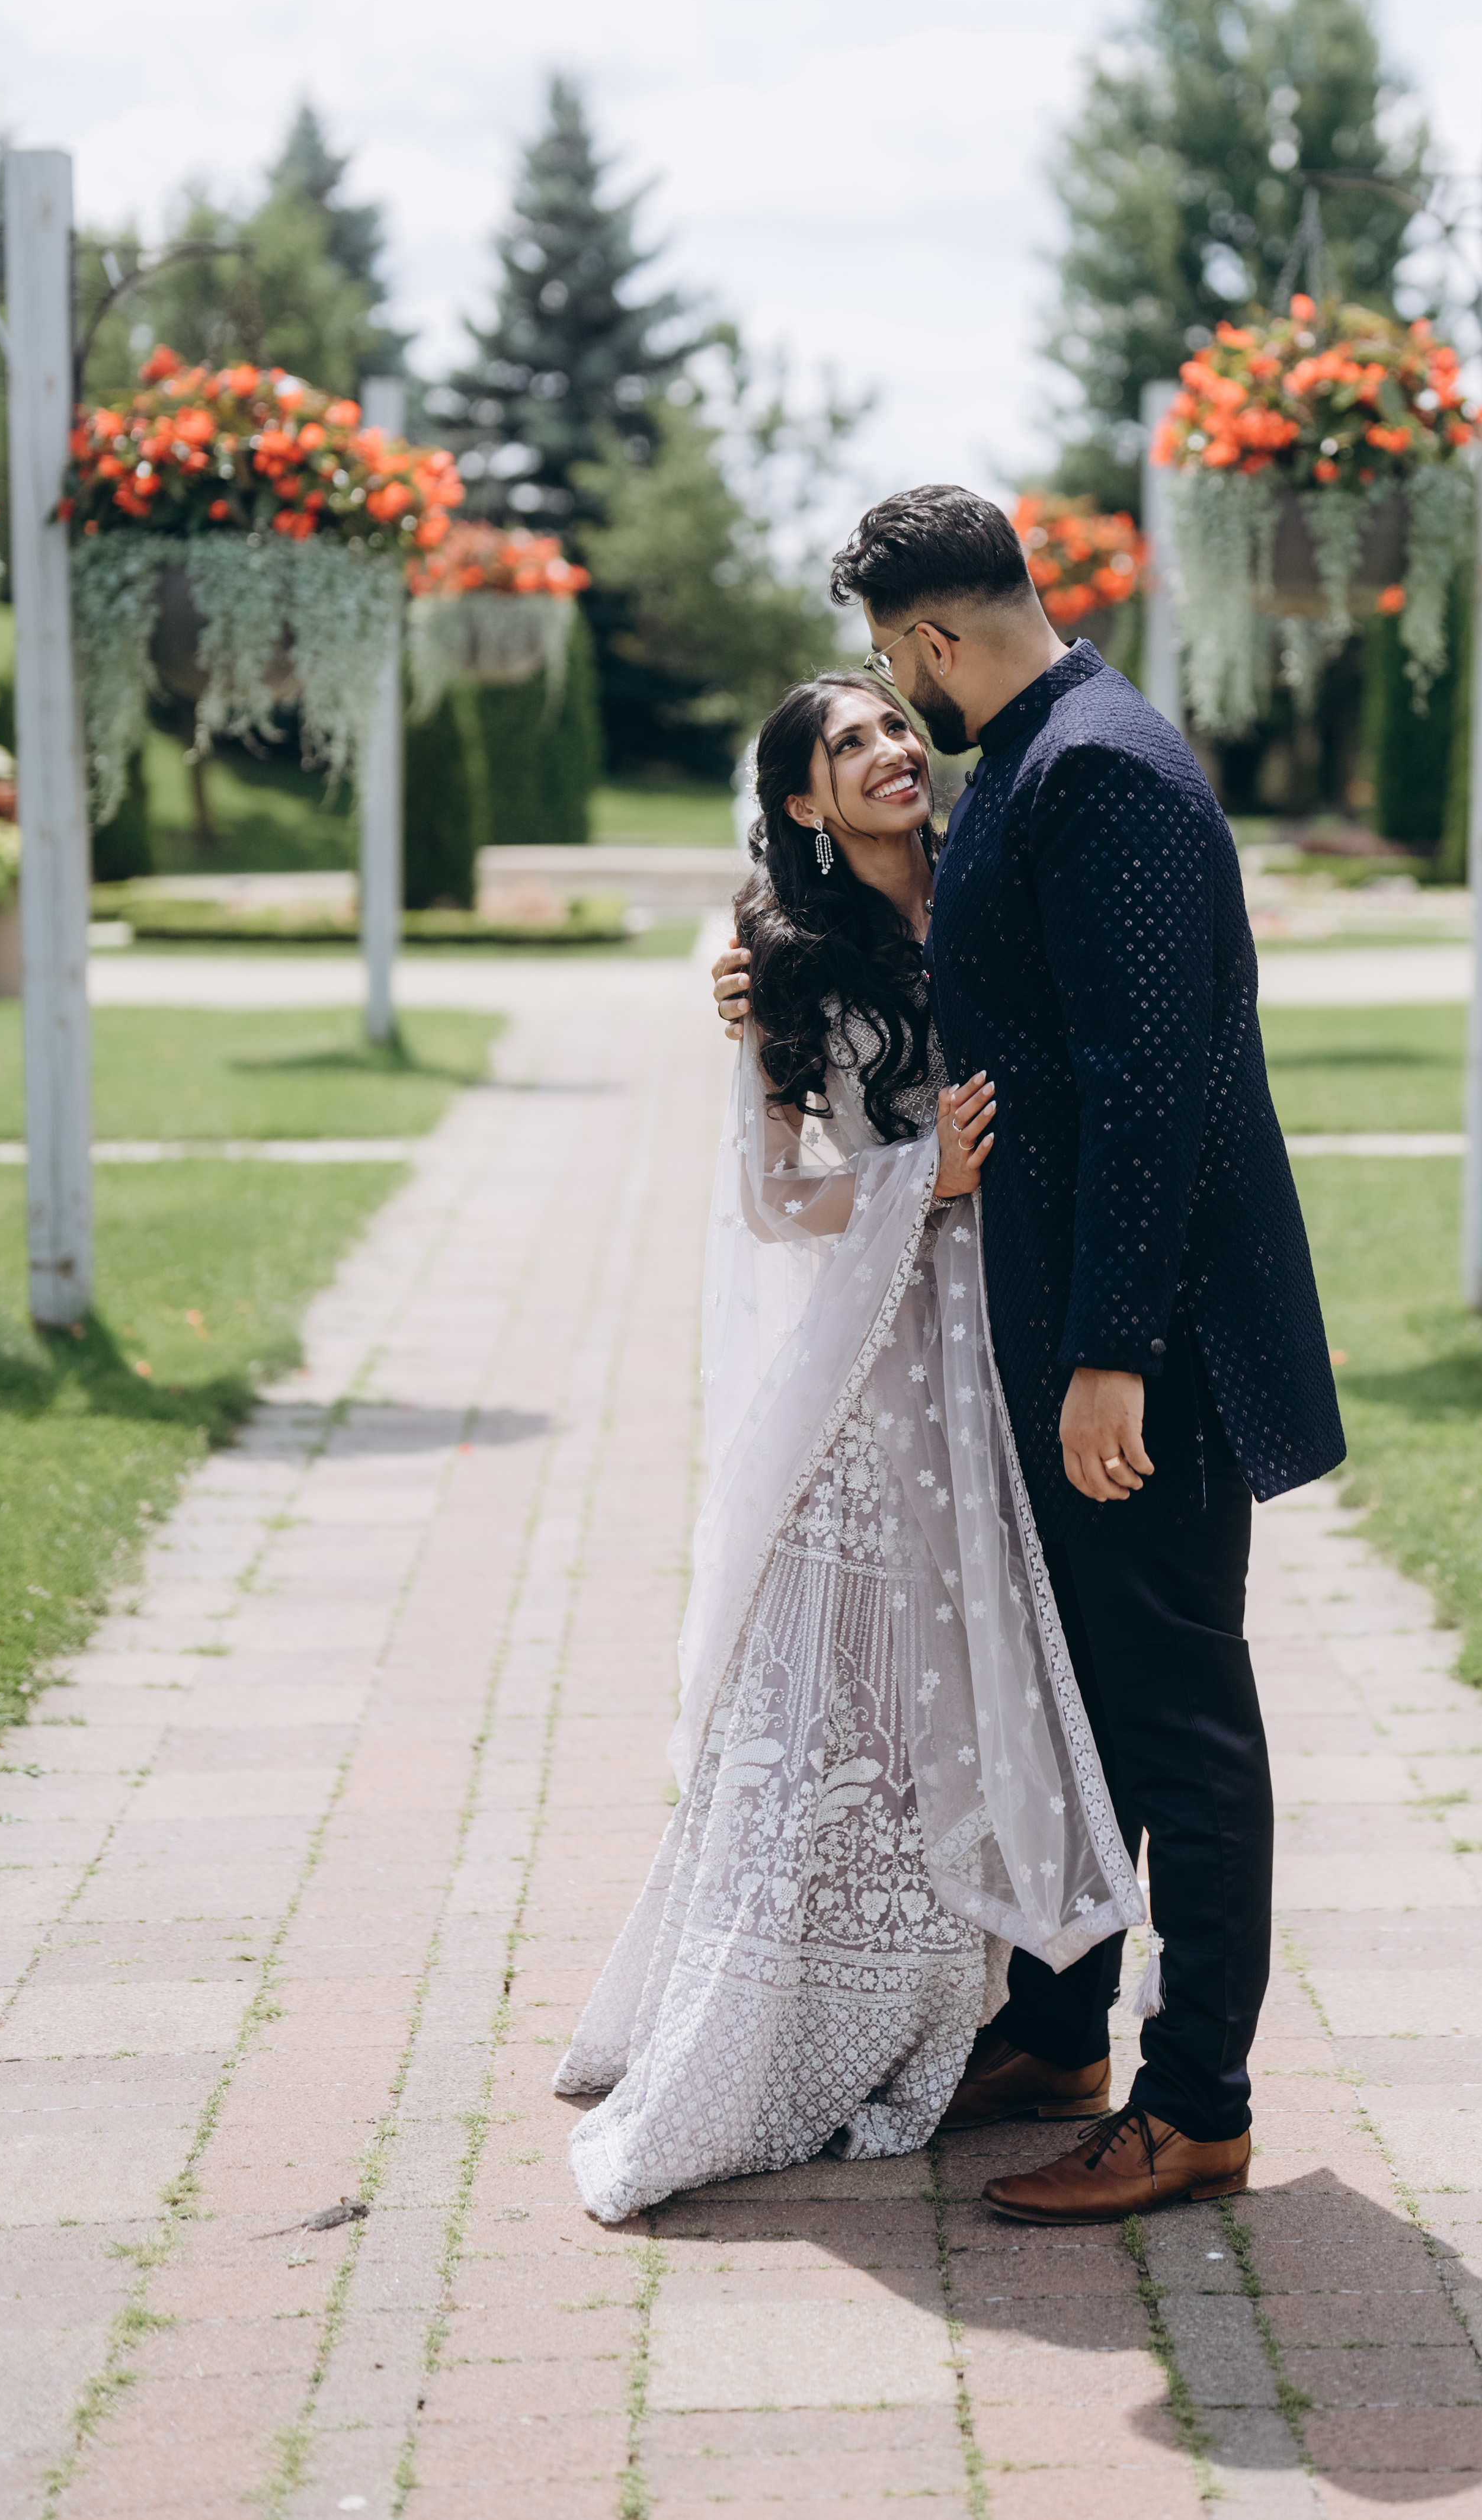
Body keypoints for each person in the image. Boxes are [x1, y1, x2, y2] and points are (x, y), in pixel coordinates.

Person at [715, 485, 1345, 2227]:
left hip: (1145, 1343)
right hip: (1060, 1328)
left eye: (886, 659)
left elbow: (1153, 1089)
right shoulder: (1033, 756)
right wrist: (778, 976)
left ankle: (1196, 2101)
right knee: (1089, 1696)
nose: (894, 696)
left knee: (1179, 1713)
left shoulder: (1104, 769)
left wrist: (1111, 1352)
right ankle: (1062, 2032)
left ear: (925, 637)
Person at [555, 673, 1142, 2223]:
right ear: (803, 802)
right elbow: (773, 1200)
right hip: (886, 1342)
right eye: (850, 743)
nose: (891, 749)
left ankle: (1021, 2008)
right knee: (849, 1671)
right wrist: (915, 1179)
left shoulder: (994, 879)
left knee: (1008, 1654)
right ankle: (802, 1997)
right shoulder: (787, 962)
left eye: (894, 724)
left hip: (1025, 1327)